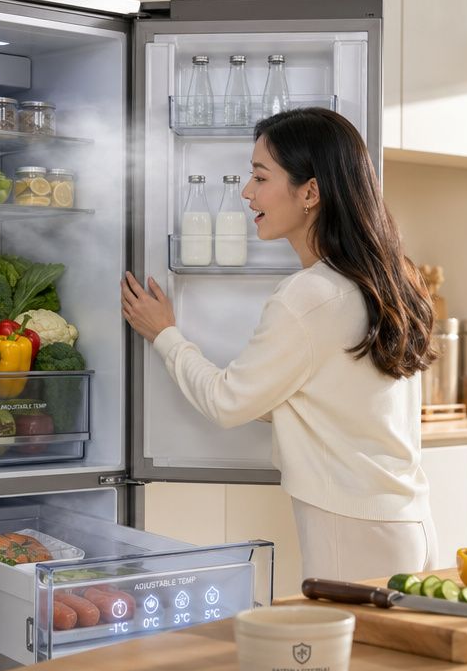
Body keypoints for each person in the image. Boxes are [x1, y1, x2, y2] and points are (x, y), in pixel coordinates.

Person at [120, 107, 438, 583]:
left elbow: (227, 403)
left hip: (351, 532)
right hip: (407, 522)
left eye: (260, 176)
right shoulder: (391, 276)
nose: (248, 192)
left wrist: (165, 334)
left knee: (344, 659)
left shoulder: (308, 296)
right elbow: (334, 395)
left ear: (310, 191)